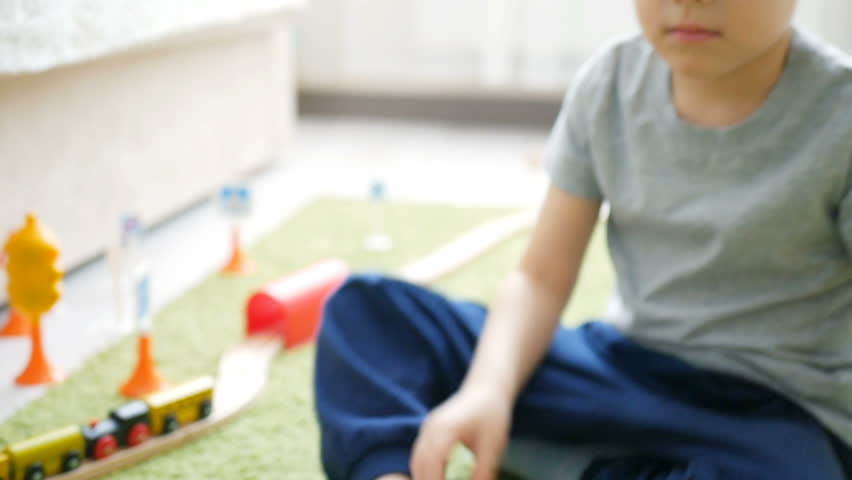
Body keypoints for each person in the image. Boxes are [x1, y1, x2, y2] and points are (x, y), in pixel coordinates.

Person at [314, 0, 852, 478]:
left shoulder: (840, 112)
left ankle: (585, 461)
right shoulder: (610, 81)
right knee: (368, 309)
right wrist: (489, 390)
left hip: (772, 412)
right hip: (622, 369)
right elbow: (540, 278)